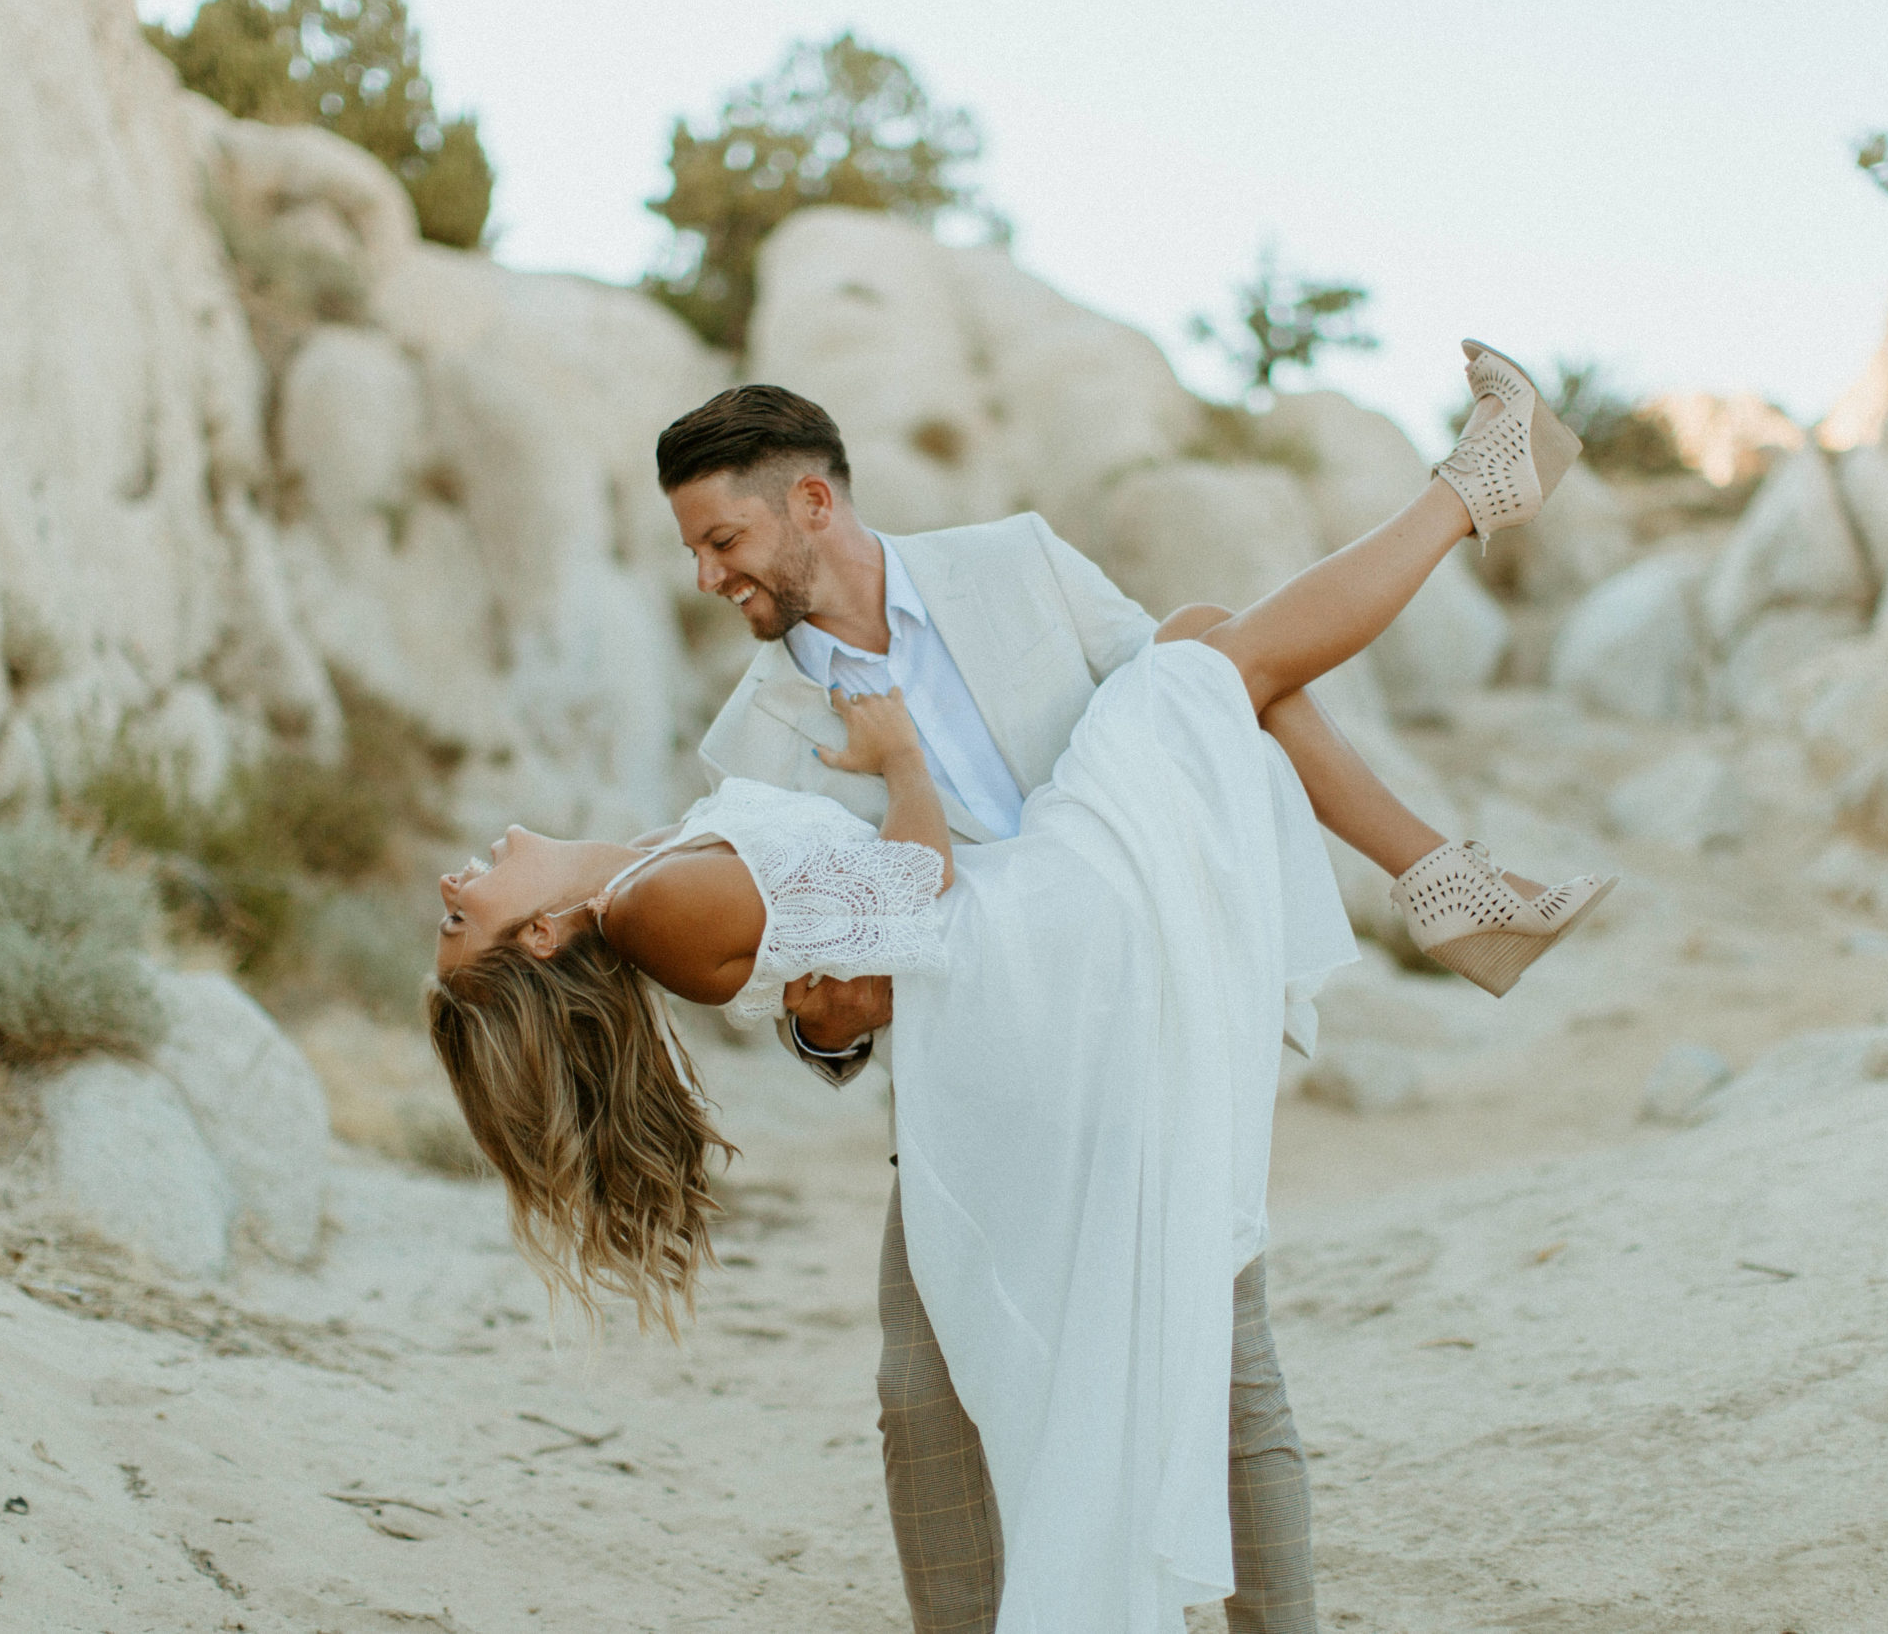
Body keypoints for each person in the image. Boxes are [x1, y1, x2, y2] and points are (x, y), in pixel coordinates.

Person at [427, 346, 1612, 1633]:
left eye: (722, 540)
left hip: (1108, 977)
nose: (709, 577)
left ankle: (1449, 804)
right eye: (697, 552)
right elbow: (830, 992)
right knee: (925, 1401)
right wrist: (830, 1017)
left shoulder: (1020, 566)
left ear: (813, 503)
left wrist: (893, 806)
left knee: (1220, 1360)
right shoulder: (750, 738)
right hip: (985, 1048)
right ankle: (1446, 806)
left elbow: (1207, 719)